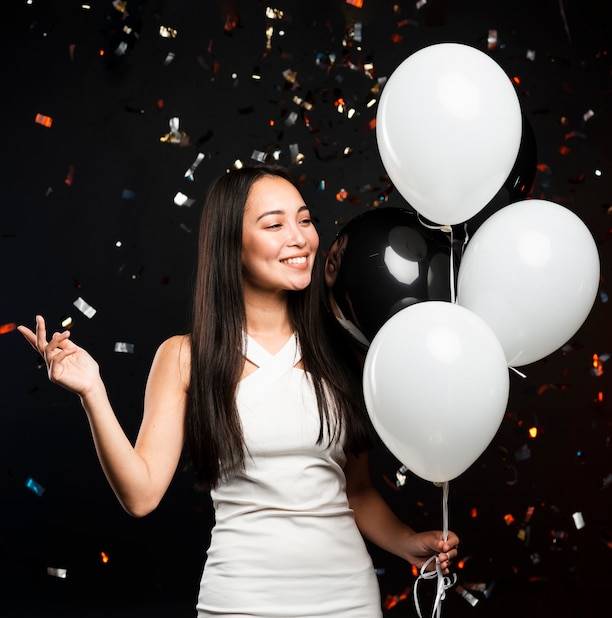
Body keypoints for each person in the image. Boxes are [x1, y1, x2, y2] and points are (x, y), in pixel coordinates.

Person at [18, 164, 459, 617]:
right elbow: (141, 494)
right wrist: (92, 391)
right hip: (240, 601)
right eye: (275, 224)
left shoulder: (343, 350)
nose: (300, 237)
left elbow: (358, 491)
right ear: (232, 243)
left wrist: (407, 541)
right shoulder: (185, 357)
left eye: (304, 220)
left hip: (347, 600)